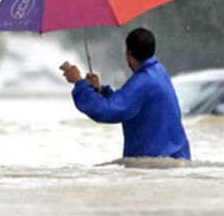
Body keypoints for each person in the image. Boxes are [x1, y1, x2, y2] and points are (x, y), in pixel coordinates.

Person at [60, 27, 191, 160]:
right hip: (176, 159)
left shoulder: (143, 82)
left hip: (157, 165)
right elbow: (128, 101)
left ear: (127, 51)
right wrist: (100, 90)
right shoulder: (158, 71)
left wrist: (79, 83)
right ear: (153, 51)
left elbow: (107, 111)